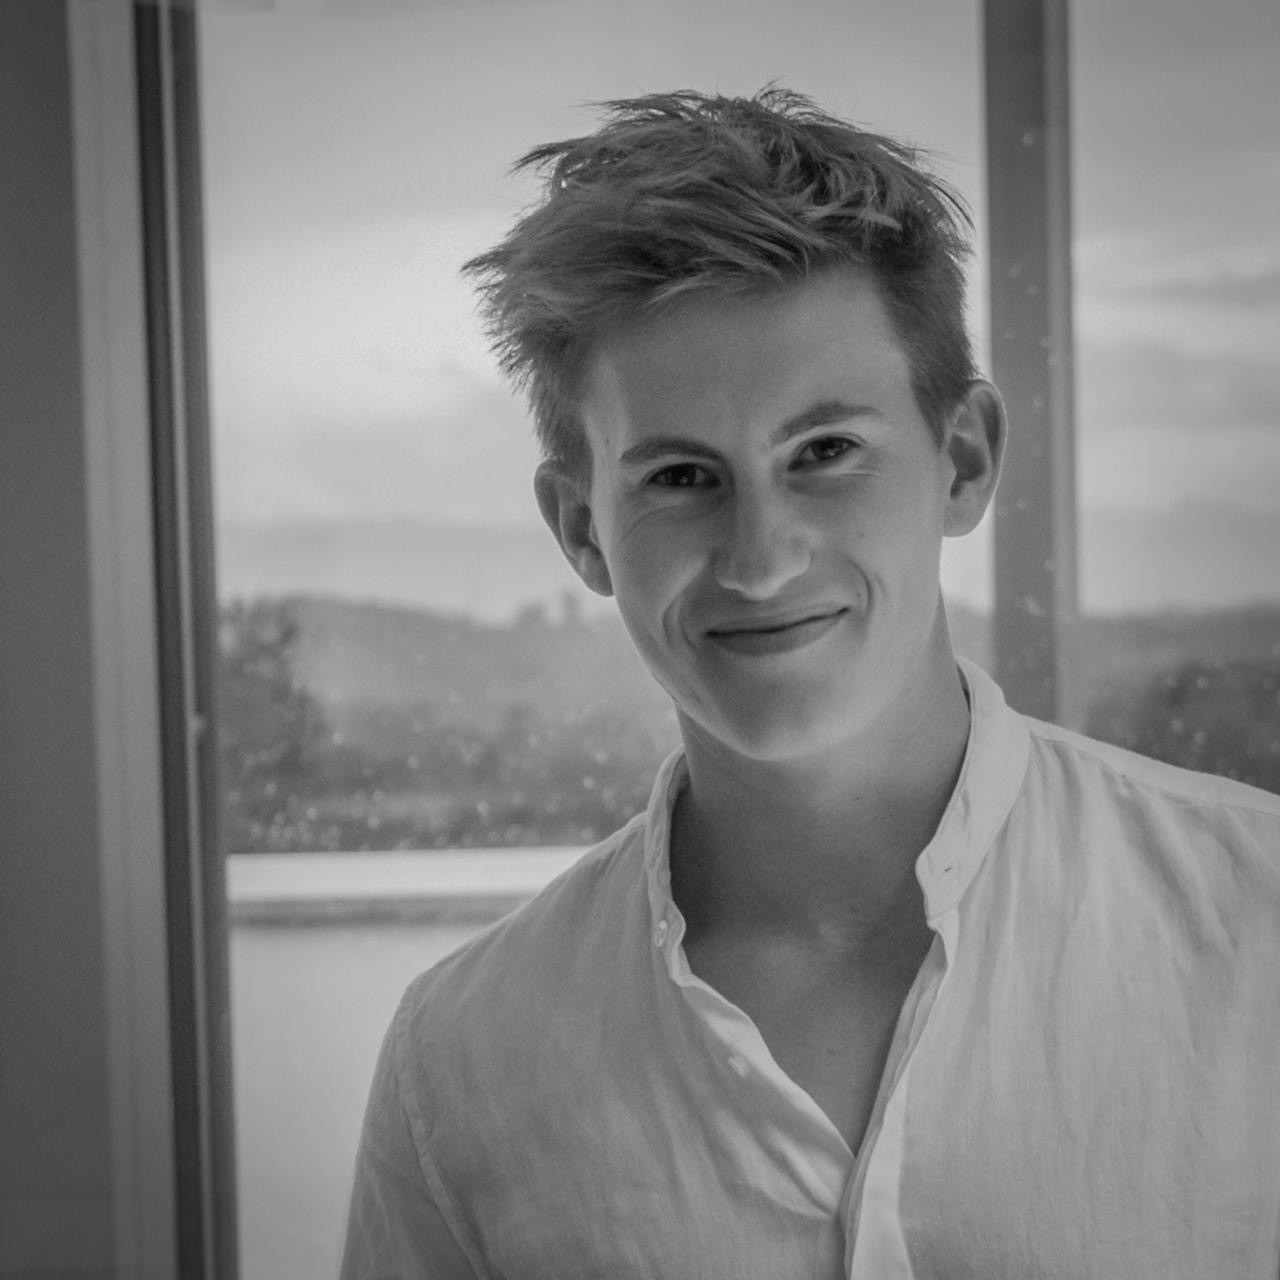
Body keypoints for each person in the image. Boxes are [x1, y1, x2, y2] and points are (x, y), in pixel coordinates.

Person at [340, 89, 1280, 1278]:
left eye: (824, 452)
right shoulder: (459, 1062)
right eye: (680, 477)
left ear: (963, 459)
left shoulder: (1256, 922)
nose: (760, 558)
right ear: (580, 528)